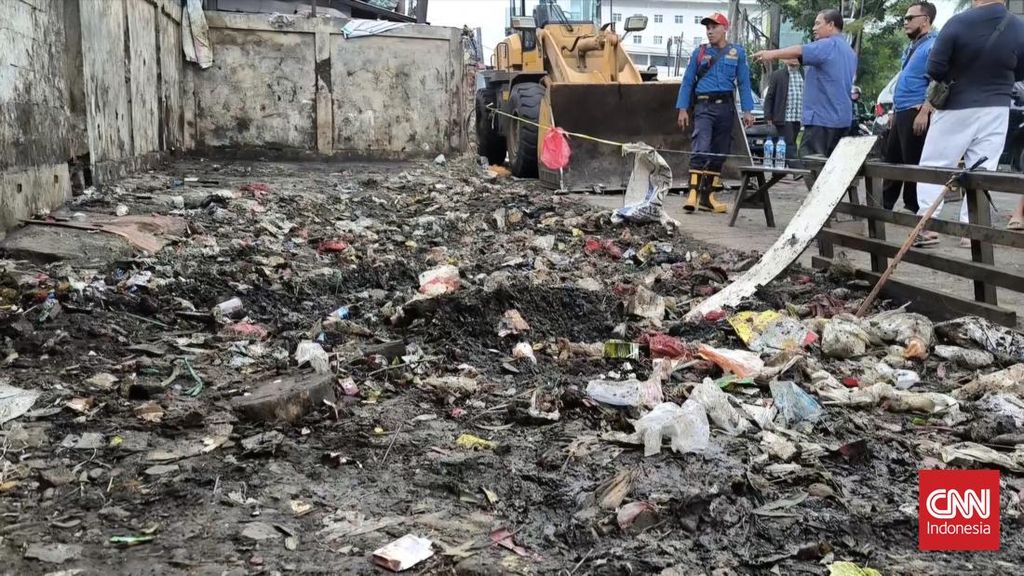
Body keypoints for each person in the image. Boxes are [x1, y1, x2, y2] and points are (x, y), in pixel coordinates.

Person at [914, 0, 1024, 248]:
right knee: (982, 170)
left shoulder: (958, 23)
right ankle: (971, 231)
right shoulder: (1018, 27)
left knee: (936, 164)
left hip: (957, 104)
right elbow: (1021, 71)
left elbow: (934, 67)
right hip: (997, 107)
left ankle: (928, 226)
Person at [676, 12, 755, 214]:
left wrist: (747, 110)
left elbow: (744, 82)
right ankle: (692, 194)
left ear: (724, 28)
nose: (710, 32)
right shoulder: (700, 53)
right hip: (704, 106)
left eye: (714, 27)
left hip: (726, 108)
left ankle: (708, 197)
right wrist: (683, 108)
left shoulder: (737, 53)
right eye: (707, 28)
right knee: (701, 147)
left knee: (720, 151)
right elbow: (687, 81)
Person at [752, 9, 857, 158]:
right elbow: (800, 58)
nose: (814, 28)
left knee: (812, 167)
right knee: (833, 170)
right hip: (843, 120)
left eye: (817, 24)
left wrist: (770, 54)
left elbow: (799, 51)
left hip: (822, 121)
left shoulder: (826, 45)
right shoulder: (849, 51)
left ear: (831, 25)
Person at [881, 1, 938, 215]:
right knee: (892, 159)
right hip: (902, 111)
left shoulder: (934, 45)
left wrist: (925, 111)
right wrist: (894, 112)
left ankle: (912, 207)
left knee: (912, 161)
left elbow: (937, 81)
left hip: (916, 111)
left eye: (909, 18)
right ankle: (885, 205)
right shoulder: (913, 46)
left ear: (925, 20)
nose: (905, 22)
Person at [763, 58, 803, 165]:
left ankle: (782, 168)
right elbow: (769, 97)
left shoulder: (802, 74)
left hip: (798, 117)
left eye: (796, 58)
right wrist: (768, 116)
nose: (794, 61)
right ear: (786, 60)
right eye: (792, 58)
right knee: (789, 144)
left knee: (791, 143)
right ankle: (798, 170)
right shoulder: (778, 75)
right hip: (784, 117)